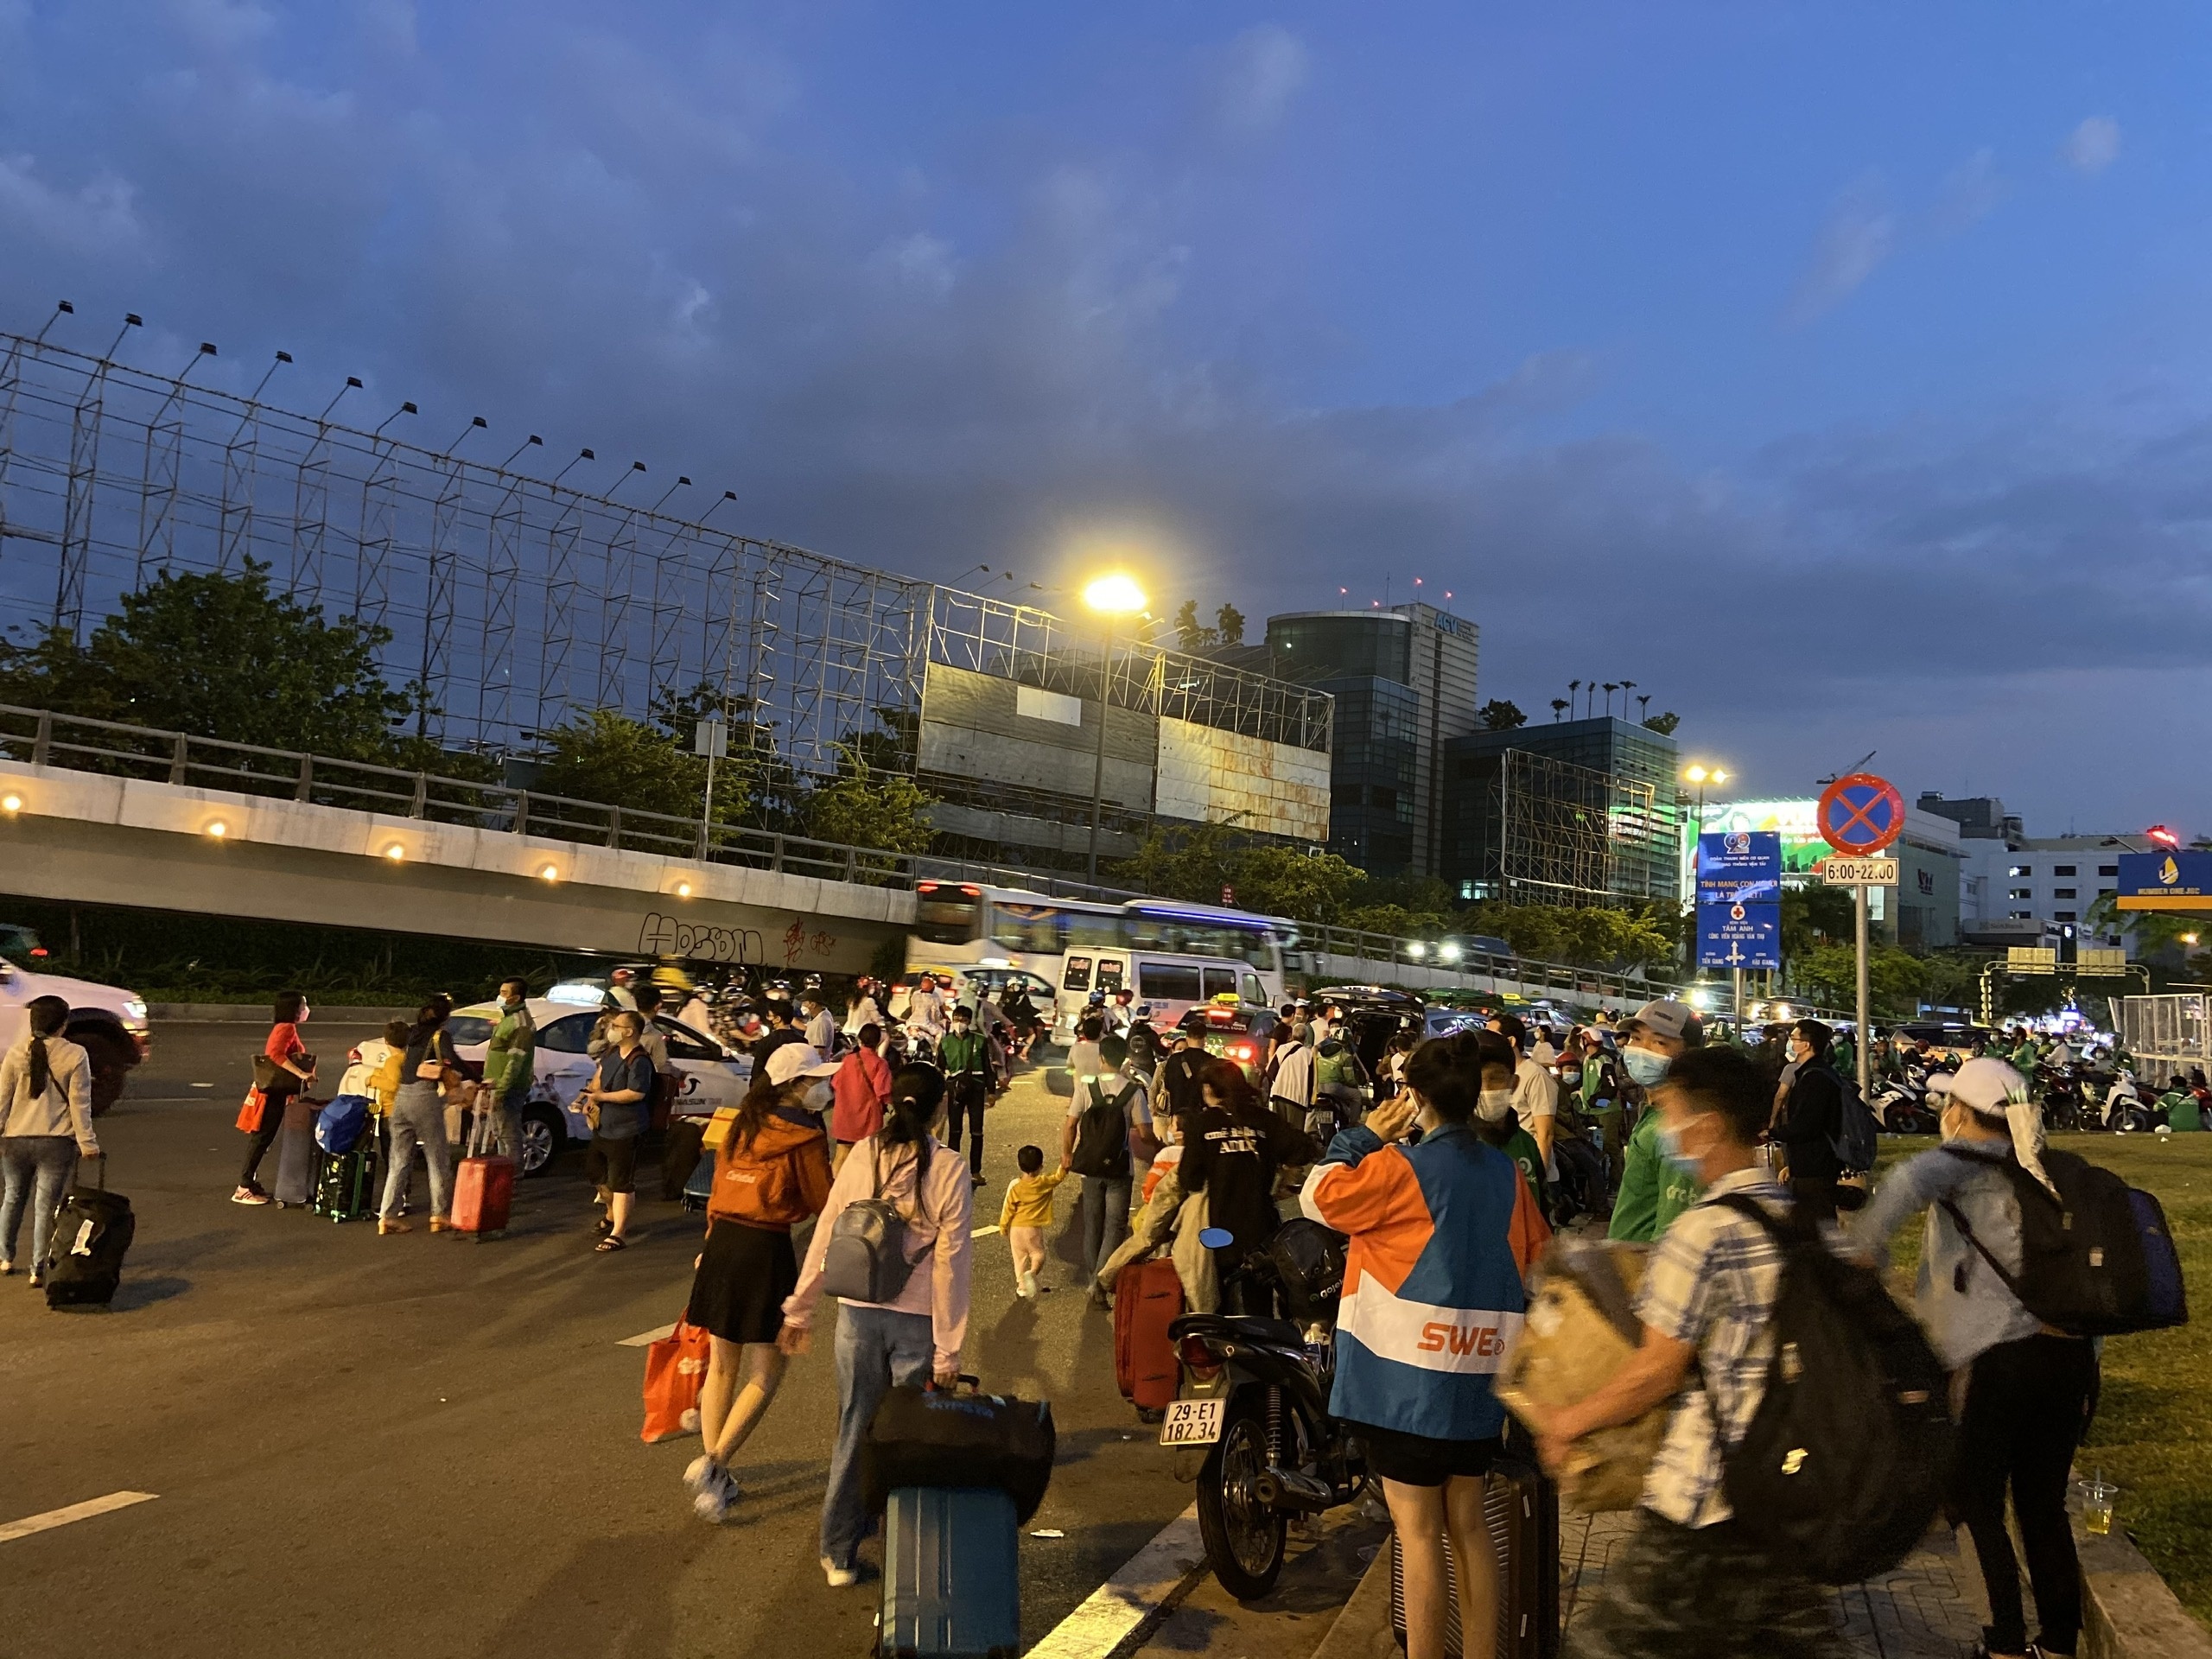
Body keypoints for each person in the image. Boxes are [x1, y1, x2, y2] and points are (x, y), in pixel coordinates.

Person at [1524, 1046, 1843, 1659]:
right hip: (1783, 1486)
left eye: (1670, 1113)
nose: (1665, 1130)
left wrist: (1568, 1422)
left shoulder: (1704, 1231)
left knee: (1603, 1648)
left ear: (1708, 1127)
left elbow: (1657, 1370)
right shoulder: (1800, 1220)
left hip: (1704, 1499)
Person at [1300, 1030, 1548, 1659]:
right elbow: (1538, 1259)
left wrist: (1362, 1136)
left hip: (1402, 1381)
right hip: (1479, 1378)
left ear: (1413, 1096)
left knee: (1417, 1535)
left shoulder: (1395, 1166)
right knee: (1469, 1525)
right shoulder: (1505, 1174)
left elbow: (1319, 1199)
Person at [1850, 1058, 2094, 1659]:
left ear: (1960, 1112)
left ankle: (2004, 1645)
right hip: (2069, 1356)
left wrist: (1858, 1260)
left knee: (1970, 1498)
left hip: (1994, 1359)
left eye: (1947, 1106)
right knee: (2042, 1504)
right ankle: (2059, 1645)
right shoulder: (2049, 1170)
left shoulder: (1952, 1162)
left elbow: (1891, 1204)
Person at [780, 1065, 973, 1588]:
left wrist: (800, 1307)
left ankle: (838, 1553)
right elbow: (952, 1262)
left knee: (857, 1427)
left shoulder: (863, 1154)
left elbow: (829, 1232)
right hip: (916, 1323)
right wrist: (948, 1351)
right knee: (908, 1438)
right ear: (938, 1110)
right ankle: (906, 1560)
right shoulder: (950, 1167)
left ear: (891, 1104)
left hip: (857, 1314)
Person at [683, 1074, 835, 1523]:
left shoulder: (740, 1124)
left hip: (722, 1242)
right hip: (766, 1248)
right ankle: (714, 1462)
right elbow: (821, 1200)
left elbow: (717, 1189)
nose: (821, 1089)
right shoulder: (805, 1135)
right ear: (797, 1084)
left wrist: (710, 1239)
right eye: (815, 1080)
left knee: (722, 1365)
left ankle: (716, 1476)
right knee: (767, 1371)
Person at [1177, 1058, 1314, 1311]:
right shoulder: (1264, 1120)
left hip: (1218, 1229)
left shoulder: (1201, 1124)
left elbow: (1189, 1179)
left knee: (1219, 1300)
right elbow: (1304, 1148)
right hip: (1260, 1228)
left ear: (1209, 1089)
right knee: (1259, 1302)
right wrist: (1287, 1179)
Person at [0, 995, 98, 1285]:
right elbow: (81, 1104)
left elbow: (2, 1100)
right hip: (56, 1142)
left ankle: (5, 1258)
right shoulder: (75, 1054)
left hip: (15, 1139)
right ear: (63, 1024)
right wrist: (88, 1143)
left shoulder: (17, 1052)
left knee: (12, 1197)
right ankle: (38, 1268)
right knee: (46, 1206)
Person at [1607, 998, 1707, 1243]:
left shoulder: (1677, 1127)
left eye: (1659, 1042)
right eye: (1637, 1038)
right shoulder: (1654, 1113)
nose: (1642, 1049)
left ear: (1690, 1054)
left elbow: (1672, 1230)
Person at [1064, 1032, 1141, 1300]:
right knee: (1115, 1226)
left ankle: (1092, 1278)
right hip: (1120, 1168)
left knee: (1093, 1223)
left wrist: (1066, 1155)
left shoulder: (1086, 1086)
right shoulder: (1133, 1090)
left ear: (1102, 1059)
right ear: (1123, 1061)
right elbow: (1145, 1132)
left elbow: (1071, 1123)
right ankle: (1099, 1283)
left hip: (1089, 1166)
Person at [378, 1002, 458, 1236]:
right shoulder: (439, 1035)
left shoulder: (413, 1034)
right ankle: (440, 1215)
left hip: (401, 1099)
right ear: (444, 1018)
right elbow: (453, 1060)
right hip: (424, 1097)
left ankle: (388, 1217)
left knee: (399, 1161)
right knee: (437, 1158)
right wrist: (475, 1077)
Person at [234, 989, 317, 1205]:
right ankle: (243, 1187)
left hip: (277, 1092)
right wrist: (302, 1074)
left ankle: (249, 1183)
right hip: (272, 1092)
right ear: (294, 1008)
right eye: (303, 1005)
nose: (305, 1009)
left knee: (264, 1138)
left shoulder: (287, 1028)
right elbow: (275, 1054)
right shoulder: (286, 1028)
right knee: (261, 1138)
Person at [582, 1009, 655, 1251]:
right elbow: (600, 1076)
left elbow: (636, 1093)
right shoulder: (613, 1052)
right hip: (604, 1126)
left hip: (627, 1129)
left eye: (616, 1025)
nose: (610, 1028)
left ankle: (618, 1232)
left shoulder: (640, 1061)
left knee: (621, 1181)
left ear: (629, 1031)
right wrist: (591, 1099)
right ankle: (611, 1214)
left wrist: (603, 1096)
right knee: (596, 1172)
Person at [1769, 1018, 1844, 1221]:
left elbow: (1806, 1126)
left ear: (1806, 1044)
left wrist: (1772, 1133)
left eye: (1794, 1038)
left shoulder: (1815, 1078)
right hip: (1814, 1165)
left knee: (1816, 1227)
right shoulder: (1817, 1073)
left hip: (1815, 1168)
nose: (1790, 1042)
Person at [999, 1144, 1069, 1300]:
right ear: (1041, 1166)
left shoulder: (1015, 1186)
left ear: (1019, 1165)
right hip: (1033, 1229)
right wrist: (1063, 1166)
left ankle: (1022, 1287)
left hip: (1016, 1228)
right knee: (1038, 1254)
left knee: (1019, 1259)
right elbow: (1058, 1177)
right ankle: (1032, 1272)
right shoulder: (1043, 1182)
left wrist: (1003, 1226)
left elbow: (1008, 1208)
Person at [480, 978, 537, 1163]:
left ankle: (513, 1179)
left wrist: (502, 1090)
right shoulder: (507, 1019)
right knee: (500, 1134)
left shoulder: (521, 1023)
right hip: (496, 1086)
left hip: (509, 1088)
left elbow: (515, 1061)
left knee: (509, 1134)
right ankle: (504, 1176)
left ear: (516, 997)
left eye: (505, 993)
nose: (500, 996)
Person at [938, 1002, 993, 1186]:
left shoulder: (979, 1040)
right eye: (956, 1019)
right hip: (954, 1089)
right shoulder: (945, 1042)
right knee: (954, 1132)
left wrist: (991, 1091)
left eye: (963, 1019)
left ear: (970, 1021)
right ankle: (953, 1171)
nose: (959, 1022)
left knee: (977, 1132)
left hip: (976, 1089)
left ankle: (975, 1172)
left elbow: (987, 1066)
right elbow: (940, 1066)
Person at [830, 1023, 892, 1171]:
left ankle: (836, 1189)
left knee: (841, 1156)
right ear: (878, 1042)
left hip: (845, 1116)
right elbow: (882, 1091)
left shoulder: (847, 1060)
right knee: (867, 1161)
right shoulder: (880, 1064)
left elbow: (836, 1084)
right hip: (868, 1119)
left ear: (860, 1040)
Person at [1268, 1023, 1316, 1135]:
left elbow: (1271, 1072)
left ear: (1292, 1035)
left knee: (1278, 1131)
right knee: (1294, 1134)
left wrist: (1281, 1081)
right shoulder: (1309, 1055)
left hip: (1278, 1095)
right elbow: (1311, 1082)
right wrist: (1310, 1103)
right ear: (1305, 1037)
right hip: (1297, 1100)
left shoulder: (1282, 1048)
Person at [802, 993, 838, 1057]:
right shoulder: (825, 1015)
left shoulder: (820, 1022)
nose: (802, 1006)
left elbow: (819, 1051)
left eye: (804, 1003)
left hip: (814, 1063)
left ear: (813, 1005)